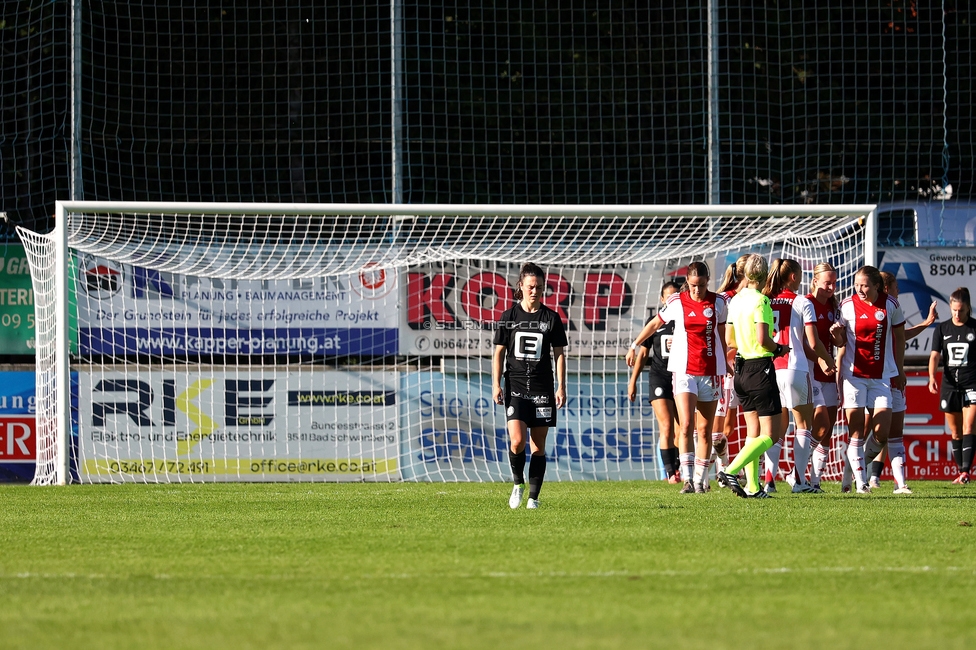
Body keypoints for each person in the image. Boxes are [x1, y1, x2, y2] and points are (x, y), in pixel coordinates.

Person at [627, 262, 728, 494]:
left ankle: (702, 481)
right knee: (686, 426)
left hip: (710, 372)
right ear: (687, 283)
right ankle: (688, 480)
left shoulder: (719, 303)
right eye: (693, 285)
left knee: (705, 430)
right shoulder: (677, 301)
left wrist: (725, 363)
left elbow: (721, 335)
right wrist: (634, 345)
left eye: (701, 285)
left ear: (708, 281)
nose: (697, 290)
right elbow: (654, 323)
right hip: (683, 371)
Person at [492, 263, 568, 509]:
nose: (535, 291)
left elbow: (559, 354)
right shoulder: (509, 317)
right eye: (530, 287)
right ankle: (517, 484)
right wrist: (496, 384)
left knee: (538, 446)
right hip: (514, 386)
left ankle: (533, 499)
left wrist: (561, 386)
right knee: (516, 441)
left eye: (539, 287)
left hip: (542, 388)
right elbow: (498, 353)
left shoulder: (551, 318)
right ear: (521, 287)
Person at [829, 265, 906, 494]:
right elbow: (840, 341)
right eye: (857, 285)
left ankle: (850, 470)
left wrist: (899, 370)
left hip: (882, 378)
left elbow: (900, 338)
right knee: (857, 433)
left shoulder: (890, 305)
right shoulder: (847, 305)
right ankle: (862, 483)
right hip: (854, 377)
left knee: (882, 433)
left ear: (876, 286)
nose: (860, 290)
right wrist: (836, 336)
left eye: (865, 285)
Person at [717, 254, 789, 498]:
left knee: (753, 433)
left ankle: (753, 487)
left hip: (740, 370)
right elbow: (764, 340)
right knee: (771, 434)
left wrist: (746, 343)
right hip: (760, 368)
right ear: (765, 274)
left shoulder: (735, 301)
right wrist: (780, 348)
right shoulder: (761, 302)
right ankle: (731, 470)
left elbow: (729, 340)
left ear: (746, 273)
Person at [764, 258, 837, 493]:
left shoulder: (768, 300)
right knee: (803, 425)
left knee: (776, 429)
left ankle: (769, 480)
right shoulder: (802, 302)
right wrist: (827, 359)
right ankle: (800, 482)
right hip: (796, 368)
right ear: (794, 277)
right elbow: (813, 342)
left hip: (772, 369)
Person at [866, 271, 937, 491]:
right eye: (896, 287)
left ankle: (898, 483)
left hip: (892, 378)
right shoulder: (876, 311)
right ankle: (856, 472)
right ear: (886, 288)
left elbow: (901, 336)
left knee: (893, 433)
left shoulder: (892, 310)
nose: (899, 292)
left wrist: (926, 323)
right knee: (872, 431)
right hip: (874, 380)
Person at [627, 282, 682, 483]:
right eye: (668, 296)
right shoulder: (655, 322)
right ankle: (670, 473)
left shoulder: (684, 320)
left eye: (676, 295)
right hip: (659, 377)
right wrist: (632, 381)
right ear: (662, 299)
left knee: (682, 428)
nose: (672, 299)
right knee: (666, 425)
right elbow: (643, 354)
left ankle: (680, 469)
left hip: (682, 377)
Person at [927, 287, 976, 484]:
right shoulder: (942, 328)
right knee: (955, 432)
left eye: (961, 310)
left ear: (968, 308)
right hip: (949, 385)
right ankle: (960, 472)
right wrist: (932, 377)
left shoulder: (974, 328)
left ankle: (965, 472)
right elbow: (935, 355)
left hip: (972, 383)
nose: (957, 314)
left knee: (969, 426)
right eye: (954, 310)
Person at [710, 255, 750, 473]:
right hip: (726, 369)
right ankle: (719, 470)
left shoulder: (753, 297)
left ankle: (723, 467)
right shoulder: (724, 299)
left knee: (729, 427)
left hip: (746, 367)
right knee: (717, 428)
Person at [805, 263, 842, 491]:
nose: (831, 287)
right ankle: (796, 471)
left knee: (827, 430)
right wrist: (820, 358)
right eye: (827, 282)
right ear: (815, 280)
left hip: (829, 372)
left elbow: (840, 342)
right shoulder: (805, 303)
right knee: (819, 424)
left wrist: (838, 337)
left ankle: (815, 481)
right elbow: (800, 341)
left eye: (834, 283)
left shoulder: (833, 305)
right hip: (811, 371)